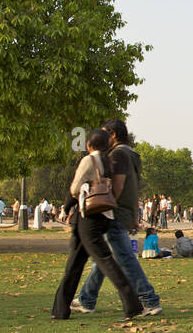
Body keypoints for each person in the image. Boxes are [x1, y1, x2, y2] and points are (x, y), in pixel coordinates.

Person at [71, 119, 163, 317]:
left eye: (105, 134)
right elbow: (134, 186)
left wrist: (105, 205)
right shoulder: (132, 154)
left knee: (124, 258)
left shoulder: (118, 154)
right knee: (104, 258)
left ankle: (149, 300)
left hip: (116, 212)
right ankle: (87, 299)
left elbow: (119, 185)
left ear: (113, 135)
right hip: (125, 211)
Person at [52, 128, 144, 321]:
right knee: (75, 263)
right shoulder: (108, 162)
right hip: (103, 216)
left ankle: (132, 303)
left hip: (89, 218)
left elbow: (75, 188)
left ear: (89, 145)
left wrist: (69, 204)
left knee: (104, 261)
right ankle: (60, 309)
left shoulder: (89, 160)